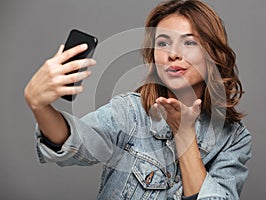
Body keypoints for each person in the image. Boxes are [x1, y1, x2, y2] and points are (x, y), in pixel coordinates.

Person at [24, 0, 251, 199]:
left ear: (213, 53)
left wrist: (185, 135)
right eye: (163, 43)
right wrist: (39, 105)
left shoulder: (233, 139)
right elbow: (78, 144)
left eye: (189, 42)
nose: (173, 53)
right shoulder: (130, 112)